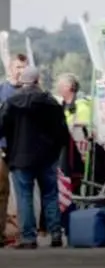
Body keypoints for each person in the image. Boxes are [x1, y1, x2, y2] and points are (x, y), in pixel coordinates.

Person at [0, 66, 69, 249]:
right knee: (50, 195)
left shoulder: (11, 102)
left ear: (22, 82)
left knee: (24, 197)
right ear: (38, 81)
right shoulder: (51, 102)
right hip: (47, 158)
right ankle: (55, 234)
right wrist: (55, 150)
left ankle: (29, 238)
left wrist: (10, 145)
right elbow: (63, 132)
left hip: (20, 158)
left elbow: (1, 128)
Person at [0, 53, 28, 241]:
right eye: (18, 67)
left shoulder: (30, 91)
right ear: (10, 69)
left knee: (23, 192)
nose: (21, 71)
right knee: (2, 191)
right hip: (3, 147)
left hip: (22, 149)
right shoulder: (3, 90)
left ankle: (26, 233)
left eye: (24, 67)